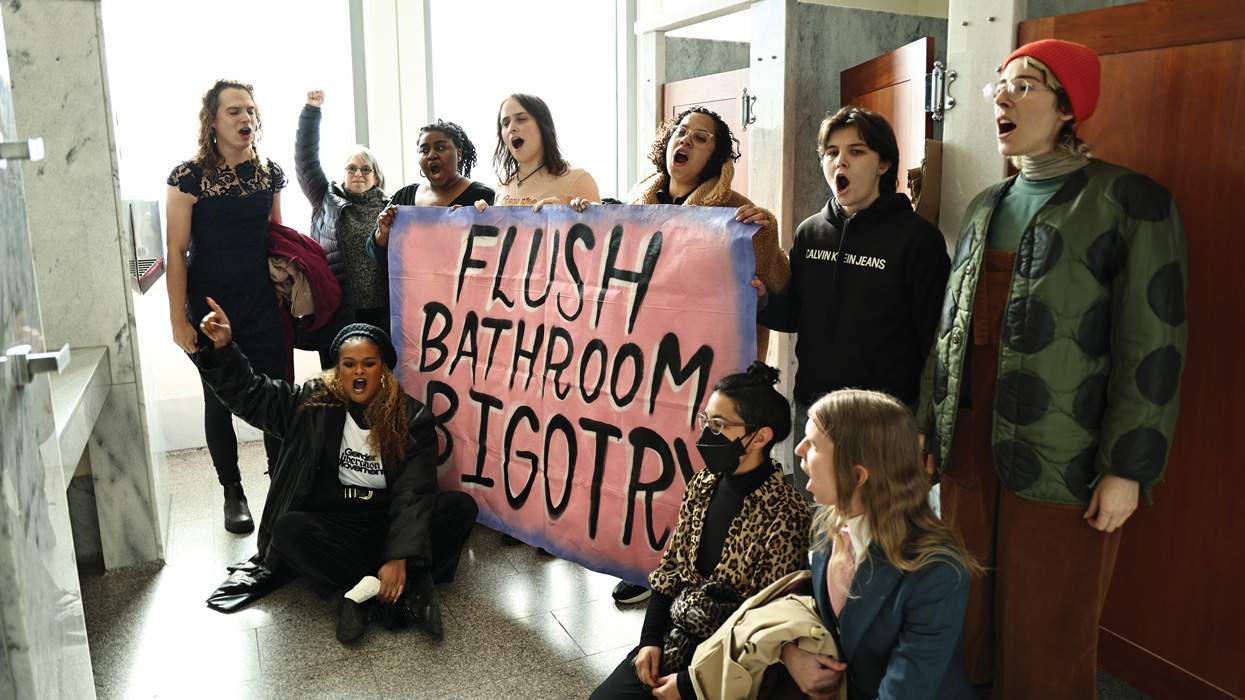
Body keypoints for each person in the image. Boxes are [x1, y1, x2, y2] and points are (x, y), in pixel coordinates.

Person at [918, 39, 1187, 698]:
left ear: (1068, 109)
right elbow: (948, 333)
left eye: (1025, 85)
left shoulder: (1131, 202)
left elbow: (1152, 346)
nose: (1000, 97)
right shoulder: (984, 205)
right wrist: (930, 430)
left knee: (1047, 616)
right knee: (963, 599)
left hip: (1065, 446)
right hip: (969, 441)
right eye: (997, 85)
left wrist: (1128, 467)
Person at [194, 303, 479, 645]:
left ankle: (364, 591)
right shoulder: (311, 403)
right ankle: (403, 589)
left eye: (369, 364)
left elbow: (413, 492)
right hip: (338, 522)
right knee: (289, 530)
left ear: (383, 370)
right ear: (338, 370)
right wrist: (224, 350)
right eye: (349, 364)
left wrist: (398, 554)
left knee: (459, 508)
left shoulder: (411, 418)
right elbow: (255, 396)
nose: (359, 372)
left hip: (388, 518)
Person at [606, 105, 792, 605]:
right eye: (681, 132)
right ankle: (645, 558)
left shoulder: (736, 209)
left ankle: (692, 563)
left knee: (699, 461)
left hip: (711, 368)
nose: (685, 142)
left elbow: (776, 284)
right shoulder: (634, 205)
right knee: (645, 457)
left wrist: (766, 230)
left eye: (702, 137)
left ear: (715, 154)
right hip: (647, 360)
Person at [756, 106, 950, 503]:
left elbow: (936, 339)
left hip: (884, 420)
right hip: (814, 411)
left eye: (857, 151)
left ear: (884, 163)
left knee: (879, 536)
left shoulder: (917, 240)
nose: (840, 160)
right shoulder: (811, 232)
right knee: (820, 531)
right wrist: (758, 296)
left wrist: (926, 425)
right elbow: (793, 314)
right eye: (831, 152)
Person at [589, 363, 811, 700]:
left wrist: (690, 685)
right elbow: (669, 570)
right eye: (706, 421)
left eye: (719, 425)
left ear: (760, 437)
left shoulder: (786, 513)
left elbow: (766, 625)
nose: (707, 433)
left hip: (729, 665)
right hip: (674, 638)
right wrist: (649, 642)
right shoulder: (703, 484)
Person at [785, 389, 975, 699]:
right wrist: (791, 655)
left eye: (814, 445)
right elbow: (798, 609)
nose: (799, 450)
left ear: (858, 475)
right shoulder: (823, 526)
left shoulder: (937, 572)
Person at [166, 79, 288, 534]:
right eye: (234, 111)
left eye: (251, 111)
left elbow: (278, 238)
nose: (246, 119)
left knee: (277, 393)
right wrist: (177, 317)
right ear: (213, 120)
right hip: (210, 306)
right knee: (219, 402)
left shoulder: (270, 173)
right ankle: (232, 491)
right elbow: (176, 251)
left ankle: (282, 485)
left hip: (262, 303)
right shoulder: (188, 176)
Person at [295, 89, 388, 357]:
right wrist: (312, 111)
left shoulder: (392, 208)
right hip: (338, 312)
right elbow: (306, 162)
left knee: (380, 384)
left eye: (365, 169)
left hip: (382, 312)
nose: (358, 173)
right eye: (351, 168)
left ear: (377, 177)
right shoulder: (326, 200)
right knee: (338, 385)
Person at [367, 118, 496, 264]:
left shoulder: (483, 196)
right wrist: (382, 233)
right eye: (424, 150)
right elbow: (377, 257)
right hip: (413, 286)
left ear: (458, 153)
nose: (431, 155)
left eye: (440, 148)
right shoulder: (404, 196)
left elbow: (500, 257)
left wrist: (473, 228)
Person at [478, 93, 599, 211]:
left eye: (521, 119)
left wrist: (563, 215)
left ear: (543, 126)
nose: (511, 128)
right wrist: (481, 217)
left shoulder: (578, 179)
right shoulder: (503, 184)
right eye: (505, 123)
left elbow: (602, 228)